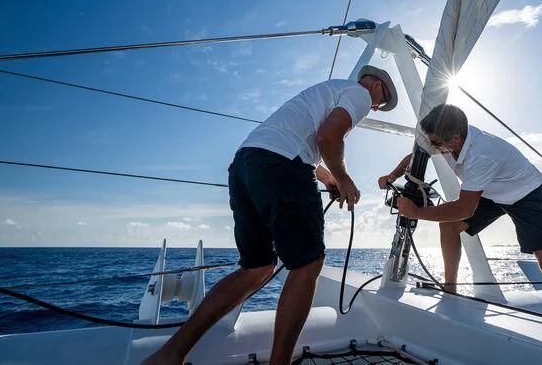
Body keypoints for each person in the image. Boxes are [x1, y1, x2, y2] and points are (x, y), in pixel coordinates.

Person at [143, 65, 398, 365]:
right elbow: (328, 137)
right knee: (307, 265)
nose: (375, 108)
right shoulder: (360, 94)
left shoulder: (325, 91)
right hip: (282, 167)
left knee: (256, 268)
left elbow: (287, 143)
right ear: (378, 87)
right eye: (380, 105)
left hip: (244, 165)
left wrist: (329, 178)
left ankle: (170, 354)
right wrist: (343, 178)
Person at [379, 104, 542, 325]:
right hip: (491, 191)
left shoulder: (482, 154)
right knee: (449, 226)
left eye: (435, 143)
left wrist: (417, 212)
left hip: (525, 192)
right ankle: (449, 289)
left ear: (455, 139)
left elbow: (464, 208)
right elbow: (417, 155)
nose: (431, 145)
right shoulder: (444, 141)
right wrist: (392, 175)